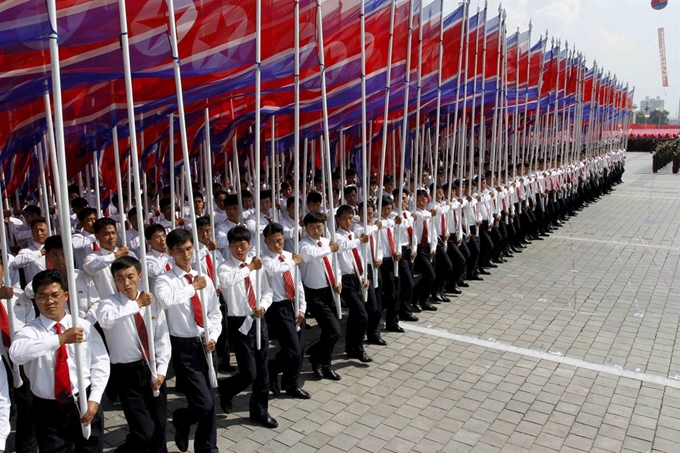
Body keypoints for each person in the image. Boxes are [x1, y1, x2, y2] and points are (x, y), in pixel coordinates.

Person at [10, 270, 110, 453]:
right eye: (43, 296)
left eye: (55, 295)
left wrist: (95, 399)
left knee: (90, 448)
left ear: (65, 295)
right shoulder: (30, 331)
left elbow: (100, 362)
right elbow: (16, 354)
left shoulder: (82, 326)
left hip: (82, 399)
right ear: (36, 299)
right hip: (48, 407)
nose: (49, 301)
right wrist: (59, 339)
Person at [154, 229, 221, 453]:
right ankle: (182, 420)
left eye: (189, 249)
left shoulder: (203, 279)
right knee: (203, 402)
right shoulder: (165, 280)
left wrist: (213, 335)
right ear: (170, 252)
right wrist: (192, 287)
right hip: (183, 346)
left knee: (211, 402)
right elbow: (166, 301)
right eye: (180, 250)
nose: (186, 254)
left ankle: (208, 448)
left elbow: (214, 312)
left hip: (206, 343)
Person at [96, 256, 171, 453]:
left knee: (159, 426)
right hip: (127, 373)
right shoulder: (108, 304)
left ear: (140, 276)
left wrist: (162, 371)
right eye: (120, 278)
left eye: (130, 277)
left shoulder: (151, 302)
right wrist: (136, 305)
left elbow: (162, 338)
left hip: (152, 367)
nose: (126, 283)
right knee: (144, 430)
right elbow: (106, 320)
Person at [216, 226, 278, 428]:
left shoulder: (256, 265)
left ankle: (260, 411)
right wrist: (249, 268)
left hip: (258, 319)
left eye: (243, 245)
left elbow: (267, 291)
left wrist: (263, 306)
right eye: (234, 245)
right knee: (248, 372)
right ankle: (227, 388)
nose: (239, 249)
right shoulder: (225, 267)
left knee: (262, 371)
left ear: (249, 244)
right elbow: (228, 281)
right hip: (239, 322)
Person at [261, 222, 310, 399]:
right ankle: (273, 369)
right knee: (293, 349)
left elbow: (298, 283)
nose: (276, 244)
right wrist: (292, 261)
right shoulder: (266, 260)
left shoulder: (290, 256)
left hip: (294, 303)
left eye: (280, 240)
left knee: (300, 348)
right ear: (266, 242)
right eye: (272, 241)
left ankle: (291, 383)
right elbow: (275, 270)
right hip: (278, 307)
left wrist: (303, 308)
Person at [299, 212, 342, 380]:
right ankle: (315, 354)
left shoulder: (326, 242)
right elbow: (310, 255)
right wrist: (329, 248)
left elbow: (334, 263)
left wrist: (338, 280)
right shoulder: (303, 245)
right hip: (314, 293)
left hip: (329, 290)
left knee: (328, 331)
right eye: (312, 227)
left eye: (319, 227)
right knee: (334, 330)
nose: (316, 230)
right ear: (306, 227)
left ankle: (325, 364)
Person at [83, 217, 137, 299]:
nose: (111, 237)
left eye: (113, 233)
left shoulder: (129, 254)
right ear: (97, 236)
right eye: (106, 234)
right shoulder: (92, 257)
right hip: (108, 304)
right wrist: (115, 256)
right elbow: (90, 268)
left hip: (130, 302)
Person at [13, 217, 49, 285]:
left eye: (42, 230)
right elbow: (16, 262)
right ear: (32, 233)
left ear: (49, 231)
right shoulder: (27, 251)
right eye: (35, 231)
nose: (39, 233)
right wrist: (40, 253)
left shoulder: (56, 249)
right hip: (35, 291)